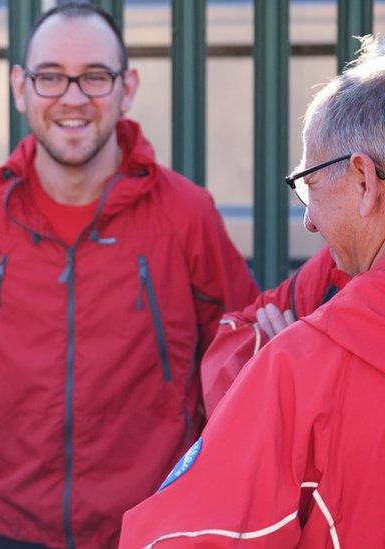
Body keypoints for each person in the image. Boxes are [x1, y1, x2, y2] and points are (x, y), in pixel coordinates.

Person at [0, 4, 258, 547]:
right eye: (51, 76)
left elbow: (237, 374)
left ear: (127, 87)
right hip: (7, 530)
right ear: (20, 87)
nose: (73, 98)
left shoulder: (186, 215)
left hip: (154, 526)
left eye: (95, 77)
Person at [120, 34, 385, 547]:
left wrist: (277, 364)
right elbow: (239, 328)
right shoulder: (331, 276)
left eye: (308, 183)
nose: (307, 221)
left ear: (363, 181)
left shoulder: (305, 365)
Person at [200, 245, 350, 418]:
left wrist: (296, 373)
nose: (310, 224)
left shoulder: (342, 250)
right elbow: (236, 334)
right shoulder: (333, 259)